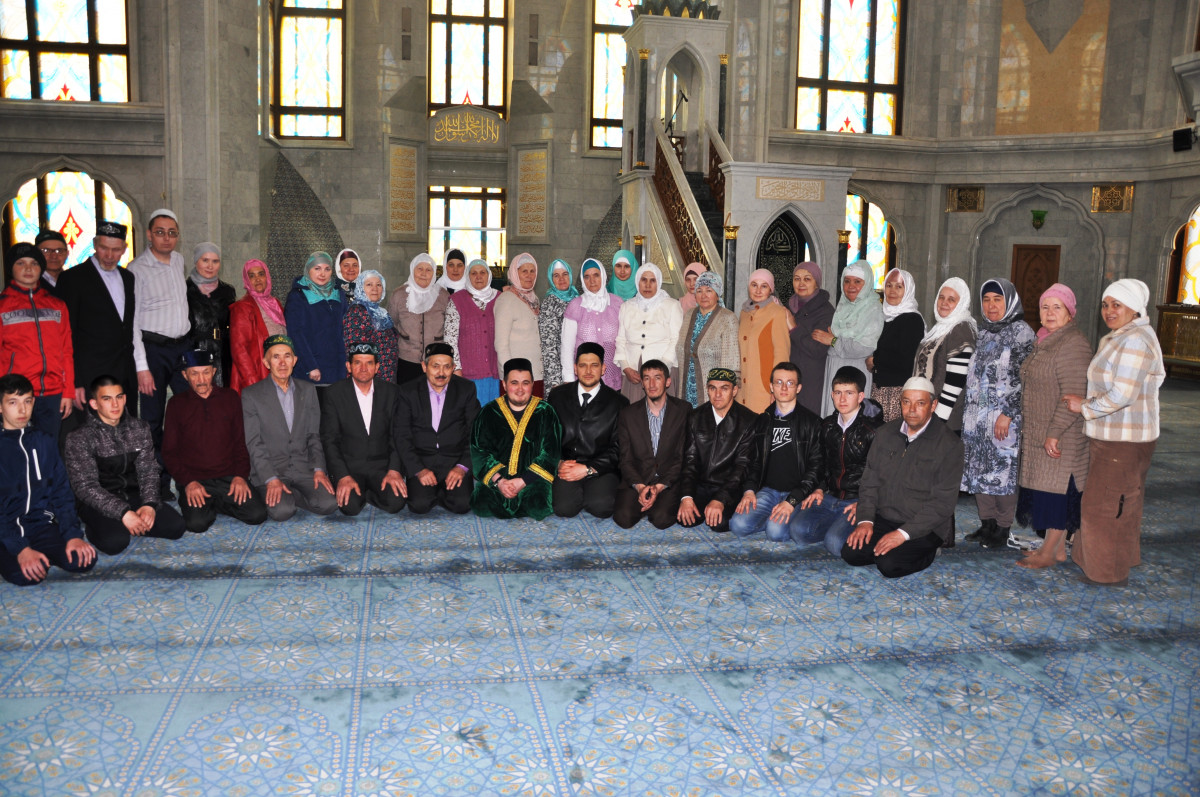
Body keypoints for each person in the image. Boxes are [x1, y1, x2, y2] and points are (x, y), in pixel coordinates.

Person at [1063, 279, 1165, 587]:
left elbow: (1123, 395)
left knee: (1104, 507)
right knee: (1122, 504)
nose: (1109, 311)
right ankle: (1115, 561)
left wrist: (1084, 406)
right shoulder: (1123, 336)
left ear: (1134, 308)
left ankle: (1107, 572)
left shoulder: (1134, 340)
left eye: (1117, 305)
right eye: (1106, 305)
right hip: (1118, 436)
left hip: (1123, 440)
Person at [842, 377, 963, 578]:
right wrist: (866, 521)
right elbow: (870, 483)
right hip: (886, 517)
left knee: (889, 565)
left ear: (933, 405)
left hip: (925, 525)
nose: (912, 409)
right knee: (851, 554)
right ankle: (893, 547)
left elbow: (943, 503)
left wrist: (902, 534)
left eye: (920, 403)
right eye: (906, 402)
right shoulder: (885, 433)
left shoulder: (949, 445)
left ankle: (930, 551)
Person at [1014, 284, 1092, 569]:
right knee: (1046, 491)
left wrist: (1054, 433)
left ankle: (1049, 551)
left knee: (1057, 493)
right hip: (1041, 432)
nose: (1049, 312)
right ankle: (1056, 550)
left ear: (1070, 312)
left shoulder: (1073, 344)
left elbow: (1073, 395)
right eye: (1045, 307)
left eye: (1057, 307)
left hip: (1062, 435)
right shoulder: (1045, 339)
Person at [64, 375, 187, 555]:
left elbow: (149, 470)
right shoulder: (79, 437)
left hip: (134, 495)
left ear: (125, 398)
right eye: (107, 399)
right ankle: (101, 525)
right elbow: (85, 487)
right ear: (94, 404)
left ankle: (130, 523)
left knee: (176, 527)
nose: (115, 404)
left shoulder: (139, 427)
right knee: (115, 542)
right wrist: (123, 513)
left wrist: (149, 504)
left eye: (119, 397)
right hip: (99, 500)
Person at [960, 278, 1036, 549]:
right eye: (986, 300)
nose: (991, 306)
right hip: (976, 417)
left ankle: (1003, 527)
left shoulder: (1021, 332)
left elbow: (1025, 377)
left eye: (997, 299)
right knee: (979, 468)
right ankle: (987, 524)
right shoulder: (982, 332)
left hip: (1004, 417)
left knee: (1002, 471)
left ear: (1010, 301)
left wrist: (1009, 413)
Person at [0, 374, 96, 586]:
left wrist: (72, 535)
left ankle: (40, 552)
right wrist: (21, 549)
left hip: (39, 525)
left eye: (27, 401)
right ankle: (24, 555)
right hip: (5, 531)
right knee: (25, 575)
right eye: (13, 403)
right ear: (0, 406)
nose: (22, 410)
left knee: (84, 559)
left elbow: (61, 491)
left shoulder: (44, 441)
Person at [161, 350, 268, 533]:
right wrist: (188, 482)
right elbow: (169, 452)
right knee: (197, 524)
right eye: (194, 374)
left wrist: (240, 476)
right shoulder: (176, 404)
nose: (201, 379)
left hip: (228, 477)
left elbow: (240, 442)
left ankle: (215, 502)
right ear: (185, 375)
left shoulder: (230, 398)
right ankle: (210, 502)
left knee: (257, 514)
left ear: (214, 372)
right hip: (196, 479)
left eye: (206, 372)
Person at [241, 335, 337, 521]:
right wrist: (270, 479)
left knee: (329, 504)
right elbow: (254, 443)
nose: (282, 363)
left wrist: (319, 469)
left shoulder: (308, 390)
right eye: (276, 357)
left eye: (287, 356)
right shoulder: (251, 395)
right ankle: (283, 495)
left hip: (303, 467)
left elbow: (314, 435)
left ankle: (292, 495)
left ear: (295, 360)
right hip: (273, 469)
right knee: (283, 512)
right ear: (266, 362)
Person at [791, 366, 884, 555]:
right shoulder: (827, 426)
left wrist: (866, 505)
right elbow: (822, 464)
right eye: (838, 393)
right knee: (798, 532)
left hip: (858, 500)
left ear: (860, 397)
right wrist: (819, 488)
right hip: (831, 496)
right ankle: (837, 525)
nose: (842, 399)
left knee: (835, 544)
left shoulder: (875, 431)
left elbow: (883, 475)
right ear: (832, 395)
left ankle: (849, 527)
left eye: (849, 393)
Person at [729, 362, 822, 541]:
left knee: (775, 533)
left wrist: (792, 501)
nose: (784, 388)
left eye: (790, 383)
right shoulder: (762, 421)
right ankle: (773, 517)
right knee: (737, 526)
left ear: (798, 388)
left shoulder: (812, 423)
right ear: (771, 387)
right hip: (769, 491)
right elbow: (754, 462)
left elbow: (816, 468)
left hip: (797, 493)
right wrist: (749, 490)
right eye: (779, 382)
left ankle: (780, 520)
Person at [55, 221, 137, 420]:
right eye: (104, 248)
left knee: (126, 430)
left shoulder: (128, 277)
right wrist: (75, 382)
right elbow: (66, 334)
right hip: (90, 377)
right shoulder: (72, 279)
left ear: (124, 249)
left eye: (116, 250)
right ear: (94, 244)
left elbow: (126, 328)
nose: (109, 255)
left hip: (124, 375)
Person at [127, 209, 191, 457]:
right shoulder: (137, 268)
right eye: (160, 232)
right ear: (149, 235)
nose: (167, 238)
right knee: (152, 417)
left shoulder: (178, 260)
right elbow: (132, 322)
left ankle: (186, 468)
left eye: (172, 233)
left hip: (181, 348)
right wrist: (142, 367)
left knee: (189, 408)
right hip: (153, 351)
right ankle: (156, 476)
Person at [319, 342, 407, 516]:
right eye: (358, 362)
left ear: (377, 367)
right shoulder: (333, 393)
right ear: (349, 366)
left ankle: (368, 494)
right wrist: (342, 476)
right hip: (350, 467)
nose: (364, 368)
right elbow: (330, 440)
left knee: (396, 503)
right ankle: (363, 494)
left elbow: (398, 435)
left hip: (381, 466)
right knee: (349, 507)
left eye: (369, 363)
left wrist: (394, 470)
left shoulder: (392, 392)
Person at [470, 358, 562, 520]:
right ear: (504, 385)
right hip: (499, 478)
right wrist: (500, 481)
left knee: (539, 506)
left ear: (532, 384)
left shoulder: (546, 412)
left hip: (532, 478)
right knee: (480, 505)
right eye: (514, 383)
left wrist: (523, 481)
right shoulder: (488, 412)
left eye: (525, 383)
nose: (520, 389)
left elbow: (551, 452)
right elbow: (479, 452)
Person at [393, 343, 480, 514]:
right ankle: (435, 492)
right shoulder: (407, 391)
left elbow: (476, 432)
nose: (441, 372)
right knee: (419, 505)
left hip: (454, 460)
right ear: (424, 367)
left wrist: (462, 467)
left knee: (462, 505)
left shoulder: (466, 389)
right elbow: (401, 434)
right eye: (435, 366)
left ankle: (442, 492)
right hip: (422, 460)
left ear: (453, 368)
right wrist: (418, 469)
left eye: (447, 367)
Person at [1, 243, 74, 439]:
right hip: (16, 394)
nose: (28, 268)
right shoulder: (3, 306)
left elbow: (66, 351)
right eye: (21, 263)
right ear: (11, 268)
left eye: (34, 263)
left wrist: (68, 391)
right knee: (17, 446)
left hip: (53, 393)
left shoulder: (57, 305)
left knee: (48, 447)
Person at [548, 342, 629, 518]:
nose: (588, 371)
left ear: (603, 369)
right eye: (583, 365)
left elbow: (619, 449)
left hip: (601, 467)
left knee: (601, 507)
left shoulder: (618, 403)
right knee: (564, 508)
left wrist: (588, 469)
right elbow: (547, 437)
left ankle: (591, 492)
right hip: (567, 465)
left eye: (594, 365)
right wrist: (558, 463)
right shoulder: (557, 396)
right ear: (575, 369)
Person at [677, 368, 760, 533]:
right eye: (713, 388)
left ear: (734, 390)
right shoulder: (695, 417)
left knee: (719, 523)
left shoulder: (748, 420)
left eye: (724, 388)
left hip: (730, 486)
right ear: (707, 390)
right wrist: (686, 497)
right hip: (701, 485)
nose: (718, 394)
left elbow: (742, 466)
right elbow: (690, 461)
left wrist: (720, 499)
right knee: (684, 519)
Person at [613, 359, 689, 529]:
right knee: (623, 518)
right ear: (642, 383)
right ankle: (647, 501)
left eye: (657, 378)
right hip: (638, 478)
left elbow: (682, 456)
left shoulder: (683, 410)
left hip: (667, 480)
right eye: (647, 378)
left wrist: (660, 487)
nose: (652, 384)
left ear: (668, 382)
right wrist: (640, 487)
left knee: (661, 519)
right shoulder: (627, 414)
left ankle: (657, 503)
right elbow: (625, 458)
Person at [817, 261, 884, 416]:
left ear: (867, 284)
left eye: (857, 282)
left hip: (855, 370)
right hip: (836, 368)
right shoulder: (843, 306)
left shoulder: (872, 309)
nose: (851, 286)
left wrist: (833, 341)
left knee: (852, 416)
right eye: (847, 281)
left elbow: (864, 347)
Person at [912, 277, 976, 432]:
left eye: (951, 299)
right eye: (941, 297)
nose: (944, 303)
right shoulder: (942, 327)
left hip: (945, 421)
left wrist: (937, 420)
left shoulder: (961, 329)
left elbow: (956, 381)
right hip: (928, 414)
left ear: (962, 303)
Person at [615, 262, 683, 402]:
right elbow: (621, 340)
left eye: (652, 280)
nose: (647, 285)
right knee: (634, 411)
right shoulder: (626, 307)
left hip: (664, 367)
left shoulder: (672, 305)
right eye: (643, 280)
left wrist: (662, 369)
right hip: (634, 372)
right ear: (637, 281)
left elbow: (676, 339)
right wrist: (625, 367)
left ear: (659, 282)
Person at [674, 270, 739, 407]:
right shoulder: (689, 315)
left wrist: (724, 391)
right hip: (686, 388)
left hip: (714, 393)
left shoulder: (727, 318)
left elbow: (731, 362)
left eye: (709, 290)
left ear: (717, 293)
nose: (703, 296)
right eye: (699, 291)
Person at [868, 268, 925, 422]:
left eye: (899, 287)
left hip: (897, 393)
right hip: (881, 390)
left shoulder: (911, 319)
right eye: (889, 285)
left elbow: (906, 361)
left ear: (908, 290)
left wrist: (875, 360)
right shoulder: (887, 317)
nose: (892, 291)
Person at [286, 251, 348, 386]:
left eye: (327, 269)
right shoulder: (298, 296)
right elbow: (296, 334)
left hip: (338, 365)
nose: (322, 274)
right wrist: (310, 366)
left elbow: (345, 329)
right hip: (312, 367)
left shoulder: (338, 293)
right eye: (317, 268)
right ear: (308, 270)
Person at [561, 258, 623, 391]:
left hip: (613, 378)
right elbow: (567, 346)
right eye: (587, 277)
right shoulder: (575, 306)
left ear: (603, 276)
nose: (592, 281)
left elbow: (624, 340)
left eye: (596, 275)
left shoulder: (617, 303)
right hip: (584, 380)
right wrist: (568, 379)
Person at [445, 258, 501, 405]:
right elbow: (450, 340)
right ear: (468, 276)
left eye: (482, 272)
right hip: (468, 375)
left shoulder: (500, 298)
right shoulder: (456, 300)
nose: (478, 277)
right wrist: (456, 369)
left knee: (493, 414)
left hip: (496, 374)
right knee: (471, 414)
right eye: (473, 273)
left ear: (489, 275)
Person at [388, 252, 450, 385]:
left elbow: (449, 328)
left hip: (436, 362)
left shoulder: (443, 296)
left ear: (434, 273)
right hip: (406, 360)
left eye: (428, 270)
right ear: (412, 270)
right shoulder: (399, 295)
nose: (423, 273)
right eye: (420, 269)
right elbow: (392, 324)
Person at [737, 269, 791, 412]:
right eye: (754, 285)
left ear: (771, 289)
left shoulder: (777, 312)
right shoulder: (744, 312)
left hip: (764, 389)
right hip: (743, 390)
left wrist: (776, 388)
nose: (758, 290)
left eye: (764, 286)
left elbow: (782, 354)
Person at [229, 259, 286, 393]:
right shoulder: (242, 307)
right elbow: (239, 350)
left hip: (279, 370)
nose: (257, 279)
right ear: (246, 281)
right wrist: (253, 382)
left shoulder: (275, 303)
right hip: (258, 374)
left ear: (267, 276)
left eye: (261, 274)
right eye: (252, 276)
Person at [493, 253, 545, 395]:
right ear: (515, 274)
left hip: (536, 374)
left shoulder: (534, 298)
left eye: (532, 271)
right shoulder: (506, 300)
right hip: (517, 379)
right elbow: (501, 345)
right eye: (524, 271)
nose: (529, 275)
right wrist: (510, 376)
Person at [185, 242, 236, 387]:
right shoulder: (184, 289)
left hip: (223, 353)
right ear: (196, 261)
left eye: (215, 261)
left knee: (221, 394)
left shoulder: (228, 291)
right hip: (194, 351)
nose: (210, 266)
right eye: (205, 260)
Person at [788, 262, 835, 417]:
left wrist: (794, 329)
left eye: (807, 279)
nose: (801, 283)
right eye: (797, 279)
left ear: (816, 283)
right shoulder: (790, 307)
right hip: (790, 378)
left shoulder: (825, 311)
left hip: (811, 380)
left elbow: (816, 349)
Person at [344, 270, 399, 383]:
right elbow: (357, 351)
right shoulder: (357, 311)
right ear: (360, 288)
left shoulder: (382, 313)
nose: (375, 289)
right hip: (368, 377)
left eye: (379, 285)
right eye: (369, 284)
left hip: (387, 375)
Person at [539, 258, 578, 393]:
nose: (561, 279)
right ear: (551, 279)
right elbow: (548, 344)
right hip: (559, 372)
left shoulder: (577, 298)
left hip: (579, 367)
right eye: (556, 275)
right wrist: (555, 380)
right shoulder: (550, 303)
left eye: (565, 274)